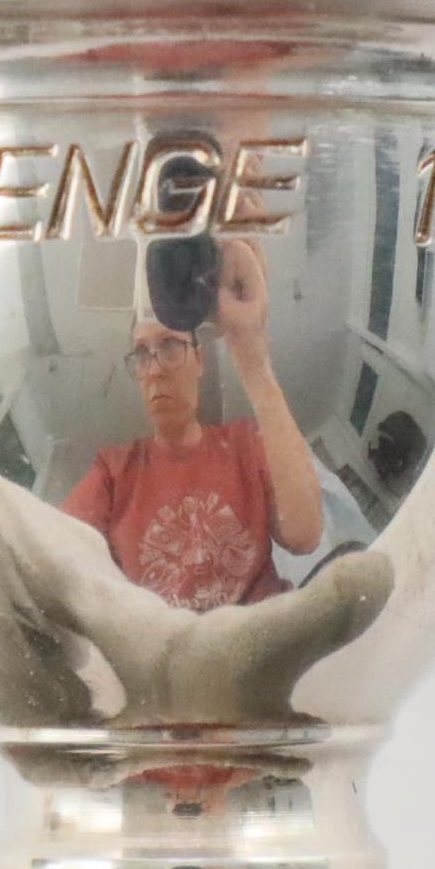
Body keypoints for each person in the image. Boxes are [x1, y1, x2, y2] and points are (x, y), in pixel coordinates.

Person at [61, 236, 324, 611]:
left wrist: (251, 353)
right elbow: (55, 560)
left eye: (169, 345)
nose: (154, 370)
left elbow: (305, 533)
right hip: (166, 645)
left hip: (266, 632)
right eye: (141, 353)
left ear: (200, 361)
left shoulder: (245, 443)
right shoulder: (113, 472)